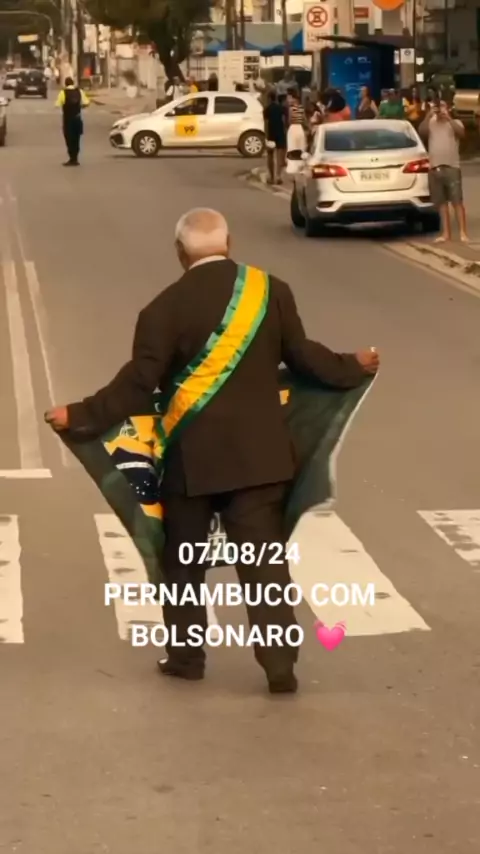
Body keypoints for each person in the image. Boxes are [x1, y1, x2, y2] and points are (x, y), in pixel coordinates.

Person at [45, 208, 379, 694]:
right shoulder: (270, 291)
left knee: (183, 563)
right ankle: (280, 666)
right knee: (264, 566)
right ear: (229, 243)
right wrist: (353, 365)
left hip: (190, 462)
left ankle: (186, 658)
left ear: (180, 253)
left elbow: (138, 384)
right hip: (260, 459)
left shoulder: (161, 310)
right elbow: (304, 357)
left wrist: (78, 414)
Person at [419, 100, 468, 243]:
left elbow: (462, 133)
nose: (440, 110)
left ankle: (463, 233)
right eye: (437, 107)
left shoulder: (455, 122)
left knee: (457, 201)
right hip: (435, 167)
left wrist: (449, 118)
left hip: (452, 166)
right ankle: (446, 234)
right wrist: (428, 116)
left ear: (448, 108)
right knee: (441, 203)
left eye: (442, 106)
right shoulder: (431, 122)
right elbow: (422, 132)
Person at [55, 76, 89, 167]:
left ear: (65, 84)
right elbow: (86, 103)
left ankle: (71, 158)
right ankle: (75, 158)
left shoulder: (63, 92)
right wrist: (79, 107)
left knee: (69, 138)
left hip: (68, 119)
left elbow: (57, 104)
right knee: (77, 138)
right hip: (77, 118)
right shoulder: (79, 91)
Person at [263, 90, 287, 184]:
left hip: (271, 134)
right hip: (280, 133)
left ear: (269, 98)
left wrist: (266, 135)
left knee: (270, 155)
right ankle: (278, 176)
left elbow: (266, 123)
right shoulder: (282, 108)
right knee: (280, 156)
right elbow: (284, 121)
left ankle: (271, 176)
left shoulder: (267, 109)